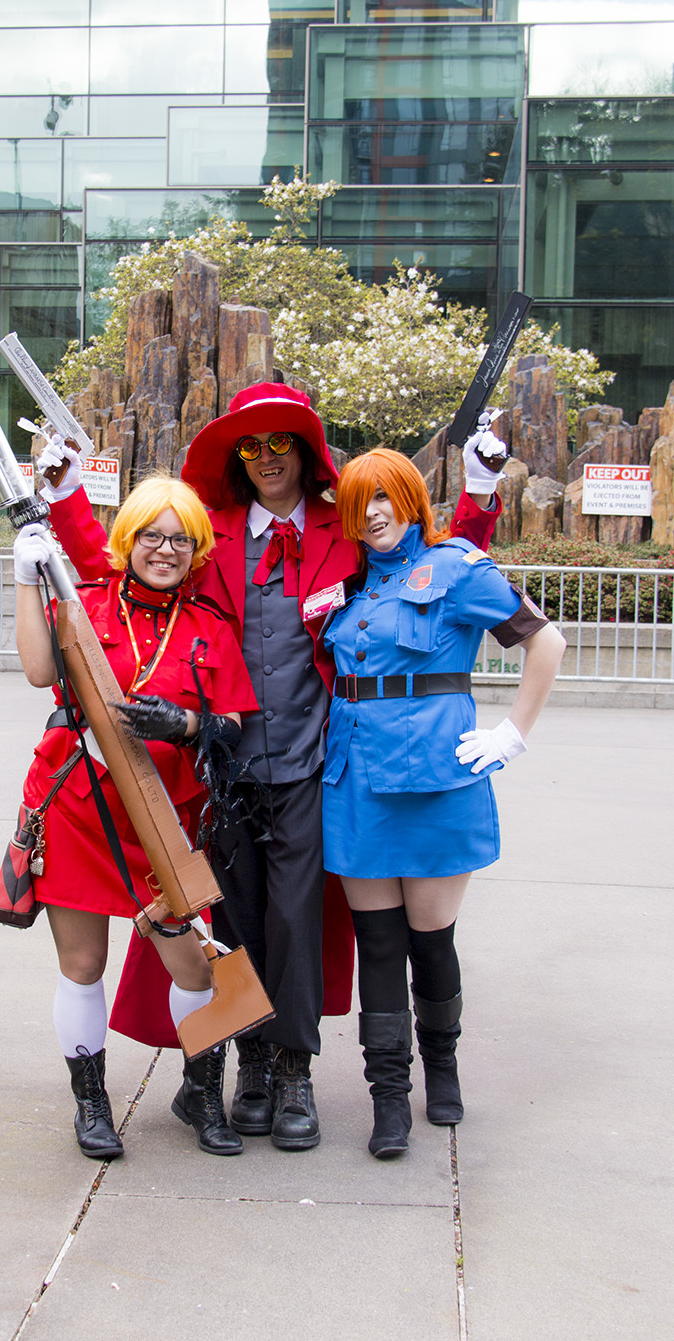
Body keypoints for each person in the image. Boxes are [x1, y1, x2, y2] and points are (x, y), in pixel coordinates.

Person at [43, 381, 506, 1153]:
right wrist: (63, 504)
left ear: (304, 451)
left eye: (280, 442)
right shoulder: (209, 531)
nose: (266, 458)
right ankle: (248, 1067)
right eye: (250, 446)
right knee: (231, 925)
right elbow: (120, 572)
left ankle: (294, 1071)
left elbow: (429, 564)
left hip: (309, 766)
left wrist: (481, 495)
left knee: (295, 922)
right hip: (216, 772)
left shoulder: (341, 528)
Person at [323, 448, 566, 1158]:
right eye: (359, 503)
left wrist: (512, 734)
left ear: (409, 500)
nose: (373, 515)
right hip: (357, 782)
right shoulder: (348, 587)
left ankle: (444, 1067)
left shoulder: (456, 568)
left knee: (431, 939)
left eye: (384, 498)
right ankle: (388, 1097)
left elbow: (546, 641)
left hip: (435, 781)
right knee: (378, 944)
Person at [13, 475, 258, 1159]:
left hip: (164, 818)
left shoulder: (210, 624)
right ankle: (91, 1106)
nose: (165, 550)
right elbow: (39, 672)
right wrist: (26, 581)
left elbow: (233, 722)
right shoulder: (84, 601)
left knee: (198, 969)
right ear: (129, 539)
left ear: (197, 550)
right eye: (152, 535)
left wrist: (186, 723)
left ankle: (200, 1094)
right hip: (80, 807)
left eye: (181, 540)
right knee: (83, 963)